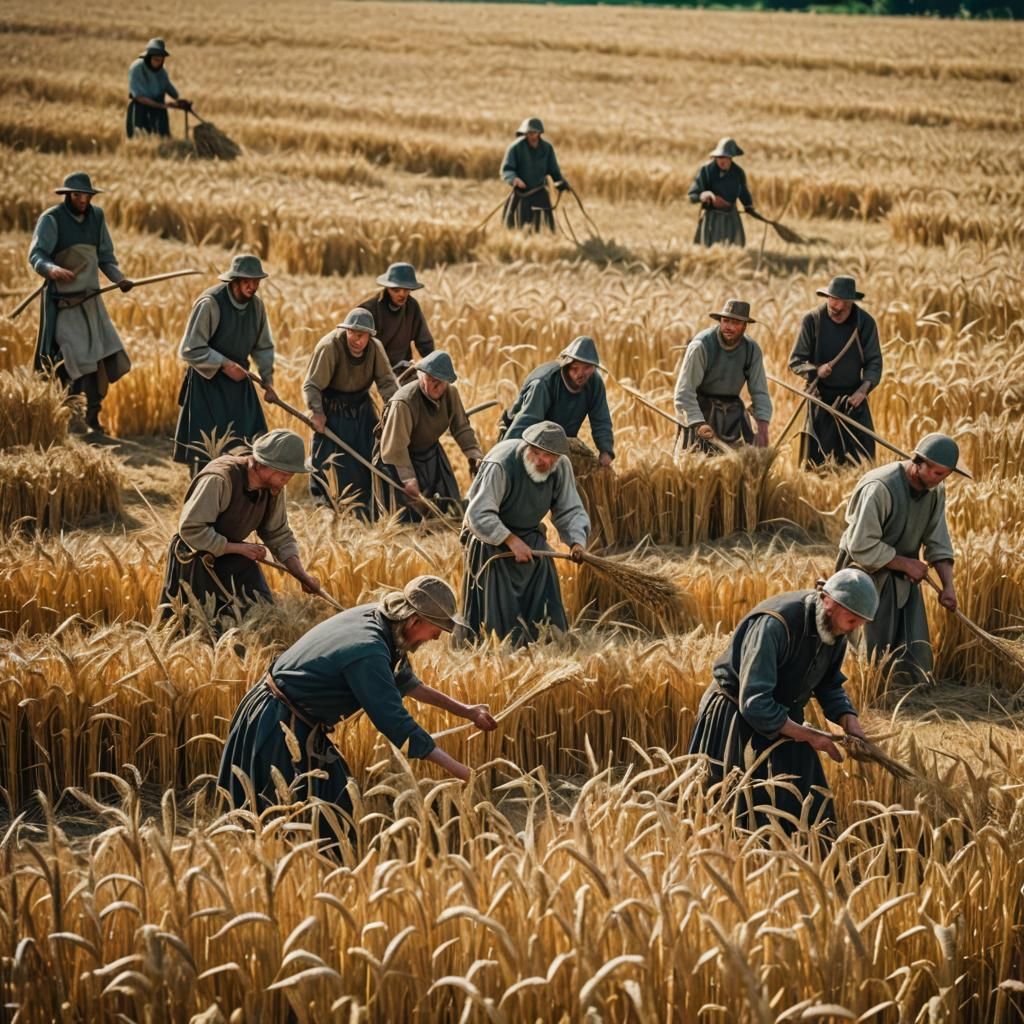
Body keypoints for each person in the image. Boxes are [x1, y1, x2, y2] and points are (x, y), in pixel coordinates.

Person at [217, 575, 498, 854]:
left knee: (335, 809)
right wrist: (463, 773)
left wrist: (467, 712)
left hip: (290, 718)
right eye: (436, 630)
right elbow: (397, 724)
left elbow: (404, 681)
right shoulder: (368, 649)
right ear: (414, 621)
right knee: (278, 827)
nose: (437, 637)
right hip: (275, 727)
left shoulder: (379, 619)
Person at [688, 569, 878, 834]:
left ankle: (801, 868)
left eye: (861, 622)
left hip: (785, 718)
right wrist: (809, 735)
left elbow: (829, 685)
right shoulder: (777, 624)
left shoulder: (836, 632)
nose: (855, 627)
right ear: (828, 602)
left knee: (808, 803)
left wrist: (850, 721)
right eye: (852, 619)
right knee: (730, 814)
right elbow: (754, 702)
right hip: (734, 717)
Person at [837, 433, 969, 682]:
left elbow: (937, 540)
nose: (941, 480)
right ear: (918, 462)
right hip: (865, 572)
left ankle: (908, 696)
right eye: (937, 473)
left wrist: (948, 587)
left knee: (914, 652)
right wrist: (906, 563)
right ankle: (868, 696)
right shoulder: (880, 487)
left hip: (905, 576)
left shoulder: (935, 490)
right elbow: (860, 545)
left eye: (945, 474)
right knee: (871, 651)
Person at [159, 429, 320, 626]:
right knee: (203, 627)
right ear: (262, 465)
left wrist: (301, 575)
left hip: (234, 554)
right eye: (285, 473)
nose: (288, 480)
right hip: (196, 557)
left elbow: (279, 534)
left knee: (262, 614)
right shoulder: (220, 479)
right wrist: (237, 548)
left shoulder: (274, 488)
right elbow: (192, 529)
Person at [455, 421, 590, 647]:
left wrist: (577, 541)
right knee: (499, 607)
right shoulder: (501, 464)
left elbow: (570, 508)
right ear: (527, 446)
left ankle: (546, 644)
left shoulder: (561, 466)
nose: (541, 460)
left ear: (557, 457)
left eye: (548, 456)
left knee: (545, 587)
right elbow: (478, 513)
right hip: (489, 538)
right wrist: (510, 540)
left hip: (530, 534)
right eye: (536, 452)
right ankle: (501, 651)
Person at [29, 171, 135, 439]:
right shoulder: (51, 220)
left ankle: (93, 421)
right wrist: (51, 269)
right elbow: (37, 255)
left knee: (104, 357)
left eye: (86, 195)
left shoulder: (97, 218)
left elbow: (106, 257)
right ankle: (68, 420)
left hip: (92, 302)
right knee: (75, 360)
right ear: (67, 195)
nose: (83, 200)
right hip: (63, 305)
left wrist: (120, 279)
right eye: (77, 195)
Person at [173, 255, 276, 474]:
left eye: (257, 281)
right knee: (205, 451)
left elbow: (263, 347)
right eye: (248, 281)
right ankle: (202, 496)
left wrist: (268, 381)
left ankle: (236, 497)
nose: (253, 286)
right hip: (207, 384)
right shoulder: (210, 303)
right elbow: (190, 348)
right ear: (235, 280)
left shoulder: (257, 307)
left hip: (239, 383)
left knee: (246, 448)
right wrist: (224, 364)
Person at [303, 307, 398, 515]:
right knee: (329, 462)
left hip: (362, 409)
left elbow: (387, 383)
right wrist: (316, 412)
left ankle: (366, 508)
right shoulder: (329, 347)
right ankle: (328, 508)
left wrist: (395, 411)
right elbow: (312, 385)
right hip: (332, 410)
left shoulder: (375, 349)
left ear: (369, 336)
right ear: (346, 331)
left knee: (369, 457)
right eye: (353, 333)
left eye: (362, 335)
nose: (357, 340)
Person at [374, 351, 484, 522]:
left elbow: (461, 427)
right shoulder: (404, 403)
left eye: (442, 383)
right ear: (421, 376)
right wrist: (408, 479)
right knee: (407, 521)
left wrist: (474, 455)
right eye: (433, 381)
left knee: (451, 512)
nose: (438, 387)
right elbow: (395, 448)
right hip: (398, 460)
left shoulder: (450, 393)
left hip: (432, 453)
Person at [788, 276, 883, 468]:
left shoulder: (864, 323)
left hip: (852, 403)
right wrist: (815, 370)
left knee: (859, 464)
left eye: (842, 304)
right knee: (815, 465)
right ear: (827, 297)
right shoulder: (812, 320)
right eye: (832, 300)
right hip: (819, 401)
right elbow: (796, 361)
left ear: (851, 302)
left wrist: (863, 390)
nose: (836, 306)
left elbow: (874, 363)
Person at [497, 336, 614, 468]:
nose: (580, 374)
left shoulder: (595, 383)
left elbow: (601, 419)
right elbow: (525, 422)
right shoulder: (544, 383)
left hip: (556, 447)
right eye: (575, 368)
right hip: (526, 442)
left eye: (586, 368)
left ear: (594, 367)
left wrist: (606, 451)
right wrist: (501, 460)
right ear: (567, 364)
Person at [673, 300, 772, 454]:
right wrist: (698, 423)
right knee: (697, 468)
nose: (729, 327)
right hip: (701, 411)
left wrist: (763, 426)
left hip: (733, 416)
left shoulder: (751, 350)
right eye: (725, 321)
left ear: (745, 326)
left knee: (739, 470)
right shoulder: (701, 346)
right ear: (720, 321)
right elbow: (684, 393)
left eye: (735, 322)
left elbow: (760, 392)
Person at [357, 262, 435, 370]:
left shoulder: (412, 307)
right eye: (396, 290)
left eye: (406, 289)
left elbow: (425, 343)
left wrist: (434, 366)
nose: (402, 294)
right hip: (372, 371)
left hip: (402, 370)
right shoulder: (368, 310)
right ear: (387, 288)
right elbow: (355, 346)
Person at [500, 117, 569, 232]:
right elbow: (506, 169)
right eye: (529, 133)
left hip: (539, 192)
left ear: (540, 133)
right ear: (525, 133)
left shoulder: (547, 148)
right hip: (521, 194)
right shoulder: (515, 148)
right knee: (516, 228)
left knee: (545, 228)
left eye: (534, 133)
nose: (532, 136)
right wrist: (514, 179)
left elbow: (554, 170)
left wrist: (560, 182)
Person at [688, 138, 755, 247]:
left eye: (725, 157)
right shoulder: (706, 170)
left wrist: (748, 206)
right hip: (711, 218)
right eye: (719, 157)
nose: (721, 161)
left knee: (734, 247)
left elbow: (743, 192)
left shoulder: (738, 172)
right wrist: (703, 195)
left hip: (731, 217)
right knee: (708, 247)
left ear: (731, 157)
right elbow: (693, 195)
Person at [126, 37, 189, 139]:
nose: (159, 62)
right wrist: (161, 105)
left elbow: (167, 86)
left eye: (161, 60)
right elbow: (138, 97)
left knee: (163, 137)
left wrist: (179, 101)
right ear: (148, 57)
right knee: (140, 137)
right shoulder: (137, 68)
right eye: (156, 59)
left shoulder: (161, 70)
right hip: (140, 108)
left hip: (158, 108)